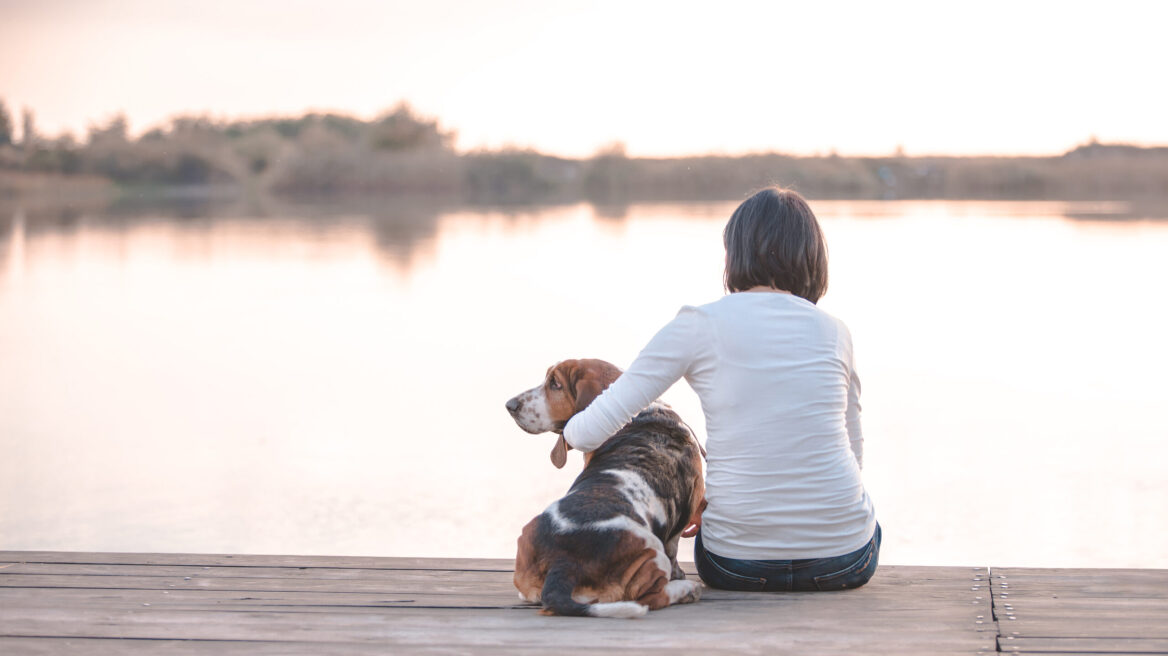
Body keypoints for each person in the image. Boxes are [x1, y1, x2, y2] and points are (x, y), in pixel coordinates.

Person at [562, 186, 879, 592]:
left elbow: (590, 431)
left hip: (735, 563)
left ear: (735, 253)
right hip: (845, 560)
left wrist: (565, 431)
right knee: (862, 516)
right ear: (813, 258)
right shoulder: (836, 332)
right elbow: (854, 451)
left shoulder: (698, 325)